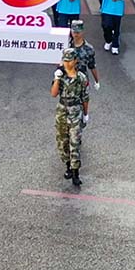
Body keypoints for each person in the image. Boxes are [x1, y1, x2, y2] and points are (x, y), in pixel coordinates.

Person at [50, 48, 90, 187]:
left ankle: (75, 172)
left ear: (75, 61)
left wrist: (85, 114)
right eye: (65, 60)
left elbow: (85, 98)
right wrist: (56, 78)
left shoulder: (81, 78)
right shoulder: (60, 75)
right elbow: (54, 94)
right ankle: (68, 166)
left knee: (75, 142)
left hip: (75, 111)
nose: (66, 63)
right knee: (63, 141)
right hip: (62, 111)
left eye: (69, 60)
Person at [69, 19, 100, 90]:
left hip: (82, 82)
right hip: (68, 82)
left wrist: (96, 81)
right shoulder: (66, 45)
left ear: (82, 32)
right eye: (74, 32)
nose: (76, 34)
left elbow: (92, 66)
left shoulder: (88, 49)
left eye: (78, 32)